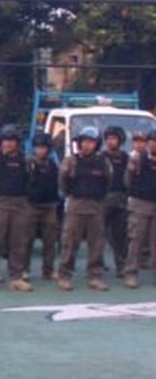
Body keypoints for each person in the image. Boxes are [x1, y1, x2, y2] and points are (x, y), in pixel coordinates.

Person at [58, 127, 112, 291]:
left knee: (97, 244)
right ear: (79, 143)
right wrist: (71, 195)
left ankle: (95, 277)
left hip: (96, 207)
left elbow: (108, 183)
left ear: (97, 144)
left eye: (91, 142)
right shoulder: (70, 161)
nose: (87, 145)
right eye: (84, 141)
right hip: (76, 205)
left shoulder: (103, 162)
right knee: (70, 243)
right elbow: (62, 182)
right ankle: (64, 276)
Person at [0, 127, 33, 292]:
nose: (9, 144)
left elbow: (29, 179)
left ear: (18, 143)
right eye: (6, 140)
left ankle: (16, 277)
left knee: (18, 242)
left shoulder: (26, 160)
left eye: (12, 140)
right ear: (0, 142)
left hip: (20, 203)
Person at [122, 130, 156, 289]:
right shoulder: (137, 159)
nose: (154, 144)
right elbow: (128, 181)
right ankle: (130, 273)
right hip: (140, 203)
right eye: (152, 141)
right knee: (136, 240)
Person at [26, 133, 61, 282]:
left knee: (50, 240)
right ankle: (23, 270)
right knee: (27, 240)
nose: (41, 151)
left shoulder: (53, 165)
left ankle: (48, 270)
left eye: (44, 148)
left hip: (50, 206)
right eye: (38, 147)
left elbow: (60, 183)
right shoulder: (28, 163)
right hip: (31, 206)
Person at [101, 125, 130, 277]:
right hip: (103, 199)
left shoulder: (125, 157)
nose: (111, 141)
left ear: (120, 140)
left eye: (114, 138)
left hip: (121, 199)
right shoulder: (101, 157)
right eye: (108, 139)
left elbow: (129, 179)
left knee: (120, 234)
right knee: (99, 234)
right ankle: (96, 265)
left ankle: (122, 265)